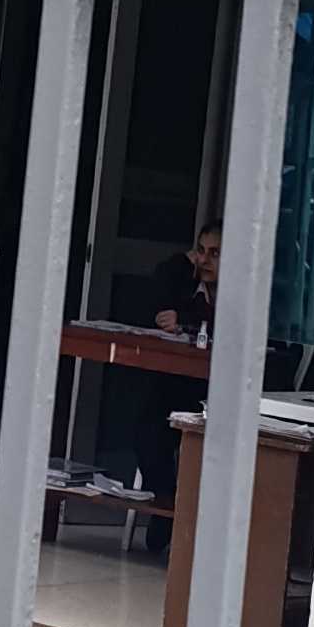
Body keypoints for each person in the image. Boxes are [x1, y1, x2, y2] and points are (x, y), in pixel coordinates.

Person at [127, 222, 223, 545]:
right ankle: (168, 504)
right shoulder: (185, 282)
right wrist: (183, 261)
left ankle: (176, 515)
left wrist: (188, 322)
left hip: (218, 394)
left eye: (215, 253)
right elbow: (157, 293)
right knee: (148, 426)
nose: (204, 260)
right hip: (180, 384)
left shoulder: (241, 294)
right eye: (201, 251)